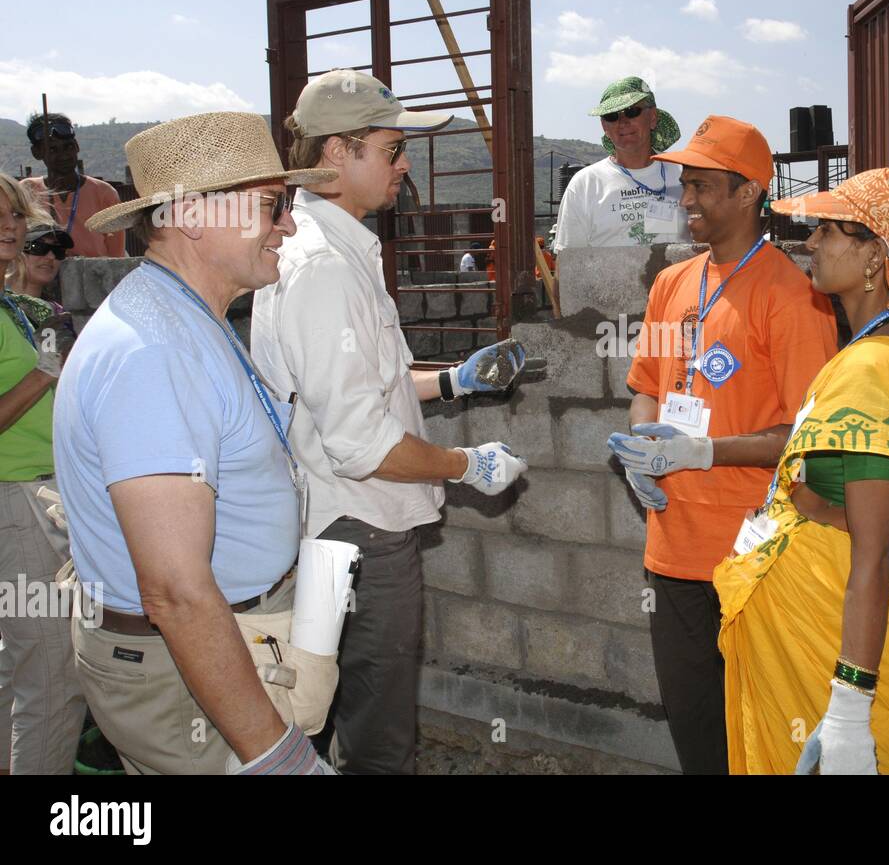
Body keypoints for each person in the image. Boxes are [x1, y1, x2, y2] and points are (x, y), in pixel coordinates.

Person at [53, 111, 346, 775]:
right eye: (272, 206)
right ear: (190, 213)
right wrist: (274, 753)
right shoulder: (155, 352)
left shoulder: (182, 316)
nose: (290, 225)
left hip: (224, 647)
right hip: (189, 671)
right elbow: (177, 591)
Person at [252, 69, 528, 775]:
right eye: (391, 146)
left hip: (344, 524)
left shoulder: (336, 251)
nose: (403, 163)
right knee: (377, 729)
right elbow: (361, 443)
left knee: (337, 710)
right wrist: (468, 465)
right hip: (360, 529)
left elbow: (363, 389)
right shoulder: (324, 268)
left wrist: (452, 380)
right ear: (339, 153)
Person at [714, 168, 889, 775]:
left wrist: (848, 706)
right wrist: (815, 508)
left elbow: (872, 556)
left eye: (828, 230)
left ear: (877, 255)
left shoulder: (873, 370)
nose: (810, 243)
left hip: (845, 652)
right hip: (839, 623)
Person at [608, 116, 838, 774]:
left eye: (703, 186)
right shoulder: (670, 285)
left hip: (753, 556)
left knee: (763, 736)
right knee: (698, 730)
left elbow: (807, 435)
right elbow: (646, 385)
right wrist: (638, 449)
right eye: (685, 185)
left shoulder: (793, 297)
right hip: (673, 550)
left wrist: (702, 453)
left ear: (748, 193)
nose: (687, 200)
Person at [0, 174, 83, 774]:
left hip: (34, 495)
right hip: (17, 503)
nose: (9, 225)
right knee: (54, 680)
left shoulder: (14, 306)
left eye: (12, 214)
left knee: (18, 671)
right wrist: (47, 372)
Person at [552, 77, 690, 254]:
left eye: (632, 111)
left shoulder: (685, 175)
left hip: (678, 282)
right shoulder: (585, 184)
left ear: (653, 117)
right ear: (604, 126)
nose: (623, 122)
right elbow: (568, 263)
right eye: (612, 116)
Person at [22, 113, 127, 259]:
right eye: (52, 149)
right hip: (42, 277)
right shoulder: (26, 192)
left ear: (77, 146)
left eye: (68, 146)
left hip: (94, 278)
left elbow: (117, 257)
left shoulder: (104, 193)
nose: (63, 155)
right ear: (36, 153)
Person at [6, 222, 74, 307]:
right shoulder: (3, 306)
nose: (51, 256)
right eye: (39, 247)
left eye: (58, 250)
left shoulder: (59, 314)